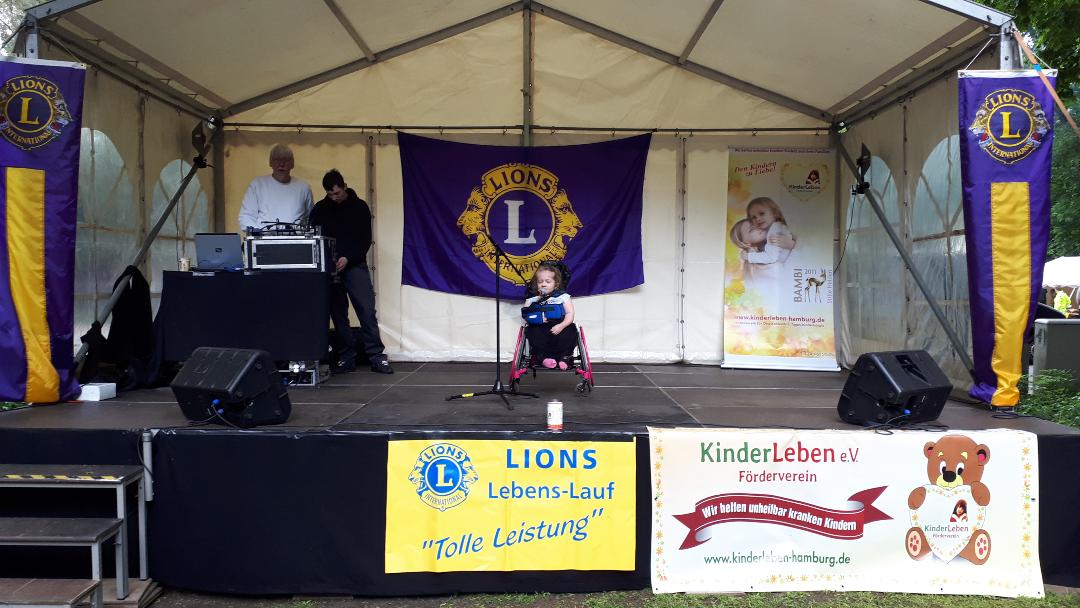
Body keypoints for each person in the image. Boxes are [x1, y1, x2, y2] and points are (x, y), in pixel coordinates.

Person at [308, 169, 393, 374]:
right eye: (330, 194)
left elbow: (365, 239)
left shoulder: (359, 207)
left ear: (344, 187)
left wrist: (348, 257)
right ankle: (347, 357)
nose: (334, 197)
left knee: (366, 310)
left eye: (337, 193)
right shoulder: (320, 209)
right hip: (330, 268)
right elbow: (313, 237)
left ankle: (376, 356)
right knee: (338, 314)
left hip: (354, 265)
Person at [237, 144, 314, 233]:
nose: (281, 164)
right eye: (277, 160)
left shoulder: (304, 187)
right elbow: (246, 216)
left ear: (292, 164)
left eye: (286, 160)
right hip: (264, 238)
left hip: (296, 239)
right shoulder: (257, 184)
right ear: (270, 162)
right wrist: (257, 233)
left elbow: (310, 218)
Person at [521, 263, 577, 370]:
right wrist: (536, 317)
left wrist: (561, 325)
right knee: (532, 331)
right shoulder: (532, 299)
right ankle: (543, 357)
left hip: (560, 325)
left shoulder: (563, 297)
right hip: (540, 326)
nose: (543, 284)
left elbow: (570, 314)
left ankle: (565, 358)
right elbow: (526, 314)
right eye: (540, 282)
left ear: (556, 284)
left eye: (548, 281)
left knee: (571, 330)